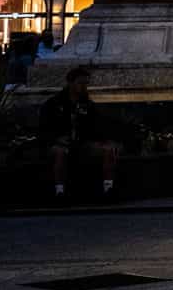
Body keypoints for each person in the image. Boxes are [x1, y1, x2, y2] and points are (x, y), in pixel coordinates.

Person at [40, 67, 119, 198]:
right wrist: (57, 139)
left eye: (86, 84)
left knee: (109, 150)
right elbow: (44, 128)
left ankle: (108, 189)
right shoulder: (54, 104)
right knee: (61, 153)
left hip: (83, 142)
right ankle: (59, 192)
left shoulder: (88, 104)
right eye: (81, 83)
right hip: (59, 143)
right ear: (70, 83)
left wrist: (104, 140)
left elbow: (98, 125)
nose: (84, 87)